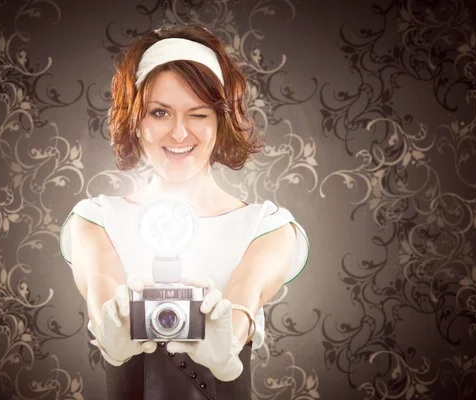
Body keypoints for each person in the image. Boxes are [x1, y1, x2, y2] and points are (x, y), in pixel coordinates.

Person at [59, 24, 310, 400]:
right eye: (159, 112)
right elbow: (103, 295)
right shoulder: (95, 220)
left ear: (220, 122)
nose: (179, 134)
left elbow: (244, 298)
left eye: (198, 114)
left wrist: (228, 341)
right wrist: (112, 329)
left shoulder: (268, 227)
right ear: (136, 121)